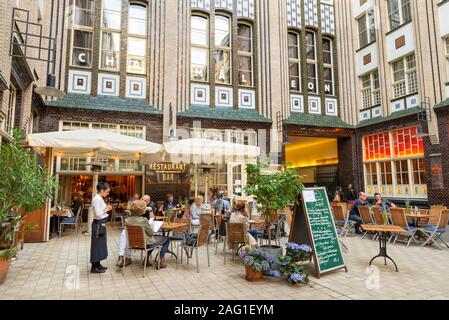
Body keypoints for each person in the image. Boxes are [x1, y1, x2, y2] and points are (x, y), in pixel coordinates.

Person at [116, 200, 171, 268]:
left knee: (152, 240)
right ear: (142, 210)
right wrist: (150, 226)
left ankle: (146, 259)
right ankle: (161, 261)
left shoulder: (127, 220)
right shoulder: (144, 220)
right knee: (166, 239)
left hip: (133, 243)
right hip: (144, 244)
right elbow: (151, 233)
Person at [90, 182, 112, 273]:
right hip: (98, 224)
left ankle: (97, 264)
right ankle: (94, 267)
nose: (108, 194)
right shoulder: (97, 199)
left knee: (100, 245)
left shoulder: (100, 198)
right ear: (102, 190)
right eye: (107, 192)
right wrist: (107, 209)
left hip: (100, 224)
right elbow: (98, 214)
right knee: (96, 245)